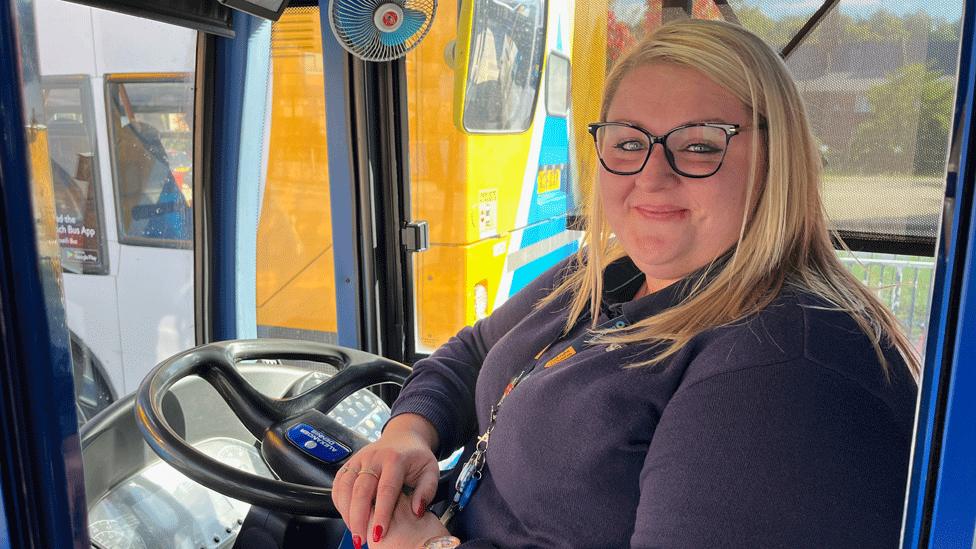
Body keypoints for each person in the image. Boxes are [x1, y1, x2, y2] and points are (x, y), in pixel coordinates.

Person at [331, 18, 920, 549]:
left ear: (777, 161)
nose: (651, 176)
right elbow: (473, 351)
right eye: (629, 142)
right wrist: (409, 434)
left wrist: (424, 547)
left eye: (699, 146)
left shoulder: (784, 365)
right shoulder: (606, 275)